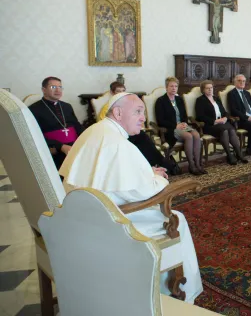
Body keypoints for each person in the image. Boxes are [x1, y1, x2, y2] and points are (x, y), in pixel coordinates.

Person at [58, 93, 203, 303]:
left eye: (143, 111)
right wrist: (157, 177)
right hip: (110, 223)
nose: (143, 117)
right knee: (177, 219)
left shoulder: (95, 131)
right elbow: (146, 192)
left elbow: (115, 179)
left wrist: (145, 173)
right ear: (117, 113)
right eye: (138, 111)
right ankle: (174, 293)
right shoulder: (118, 144)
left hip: (83, 216)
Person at [98, 81, 180, 175]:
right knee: (143, 141)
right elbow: (108, 127)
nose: (122, 94)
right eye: (118, 91)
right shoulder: (107, 108)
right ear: (112, 93)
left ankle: (158, 165)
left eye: (123, 91)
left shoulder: (126, 105)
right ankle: (160, 166)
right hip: (116, 137)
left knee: (144, 139)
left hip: (127, 134)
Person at [29, 77, 83, 169]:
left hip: (74, 146)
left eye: (60, 87)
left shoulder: (67, 106)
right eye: (53, 87)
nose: (58, 90)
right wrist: (60, 146)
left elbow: (76, 125)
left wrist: (86, 138)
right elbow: (34, 134)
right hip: (53, 149)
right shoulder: (33, 109)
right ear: (44, 90)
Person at [155, 77, 206, 175]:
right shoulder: (161, 101)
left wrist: (184, 122)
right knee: (189, 136)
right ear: (166, 87)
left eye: (176, 86)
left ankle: (198, 165)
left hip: (182, 125)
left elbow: (184, 115)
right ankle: (191, 165)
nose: (174, 88)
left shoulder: (179, 99)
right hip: (170, 128)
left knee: (196, 134)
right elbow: (160, 120)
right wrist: (176, 125)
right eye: (171, 86)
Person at [194, 80, 247, 165]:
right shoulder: (200, 100)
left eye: (211, 88)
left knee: (231, 130)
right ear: (203, 90)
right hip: (210, 125)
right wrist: (215, 121)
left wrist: (226, 117)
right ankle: (229, 155)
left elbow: (224, 111)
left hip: (222, 122)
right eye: (207, 88)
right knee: (225, 131)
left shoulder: (216, 98)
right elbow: (200, 116)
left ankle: (239, 154)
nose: (210, 90)